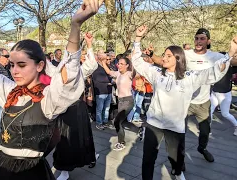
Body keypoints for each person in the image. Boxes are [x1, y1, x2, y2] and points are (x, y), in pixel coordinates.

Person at [0, 0, 104, 179]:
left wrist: (75, 25)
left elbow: (69, 75)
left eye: (21, 64)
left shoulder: (48, 98)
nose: (14, 71)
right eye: (11, 65)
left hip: (33, 173)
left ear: (40, 65)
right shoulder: (8, 91)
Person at [133, 25, 237, 180]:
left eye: (169, 55)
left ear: (178, 58)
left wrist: (230, 52)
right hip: (154, 124)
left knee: (176, 161)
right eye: (164, 55)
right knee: (148, 159)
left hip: (175, 127)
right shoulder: (156, 74)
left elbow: (214, 72)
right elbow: (137, 62)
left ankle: (178, 173)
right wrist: (138, 39)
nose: (164, 58)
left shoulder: (189, 77)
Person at [51, 32, 98, 180]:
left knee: (83, 136)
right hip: (63, 111)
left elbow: (92, 65)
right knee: (64, 141)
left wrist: (89, 45)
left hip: (78, 109)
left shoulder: (79, 71)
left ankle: (89, 157)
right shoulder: (55, 72)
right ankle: (64, 170)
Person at [101, 55, 134, 151]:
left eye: (121, 64)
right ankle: (140, 130)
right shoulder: (118, 73)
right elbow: (108, 71)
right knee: (119, 122)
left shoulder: (129, 74)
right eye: (118, 63)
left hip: (128, 100)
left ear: (127, 65)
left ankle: (121, 142)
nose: (119, 65)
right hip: (120, 101)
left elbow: (137, 74)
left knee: (117, 121)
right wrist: (103, 61)